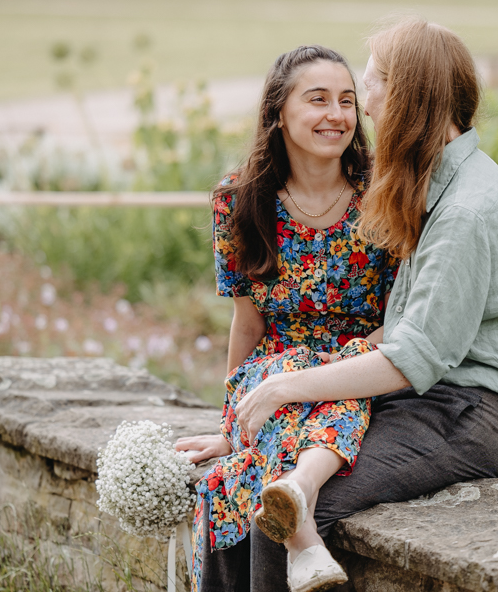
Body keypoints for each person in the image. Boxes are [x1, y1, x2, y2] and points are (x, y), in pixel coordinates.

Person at [234, 17, 498, 591]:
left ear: (409, 99)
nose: (364, 109)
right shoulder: (436, 182)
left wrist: (282, 388)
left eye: (370, 87)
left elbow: (412, 359)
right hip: (424, 400)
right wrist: (246, 417)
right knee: (254, 474)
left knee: (286, 512)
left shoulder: (466, 208)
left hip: (463, 414)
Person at [174, 44, 398, 592]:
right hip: (271, 370)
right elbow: (248, 325)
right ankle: (302, 538)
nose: (337, 115)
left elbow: (399, 319)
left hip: (358, 368)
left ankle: (296, 519)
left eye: (348, 101)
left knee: (337, 376)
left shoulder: (385, 194)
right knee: (283, 379)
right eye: (317, 99)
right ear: (279, 112)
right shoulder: (239, 201)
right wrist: (235, 424)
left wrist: (325, 371)